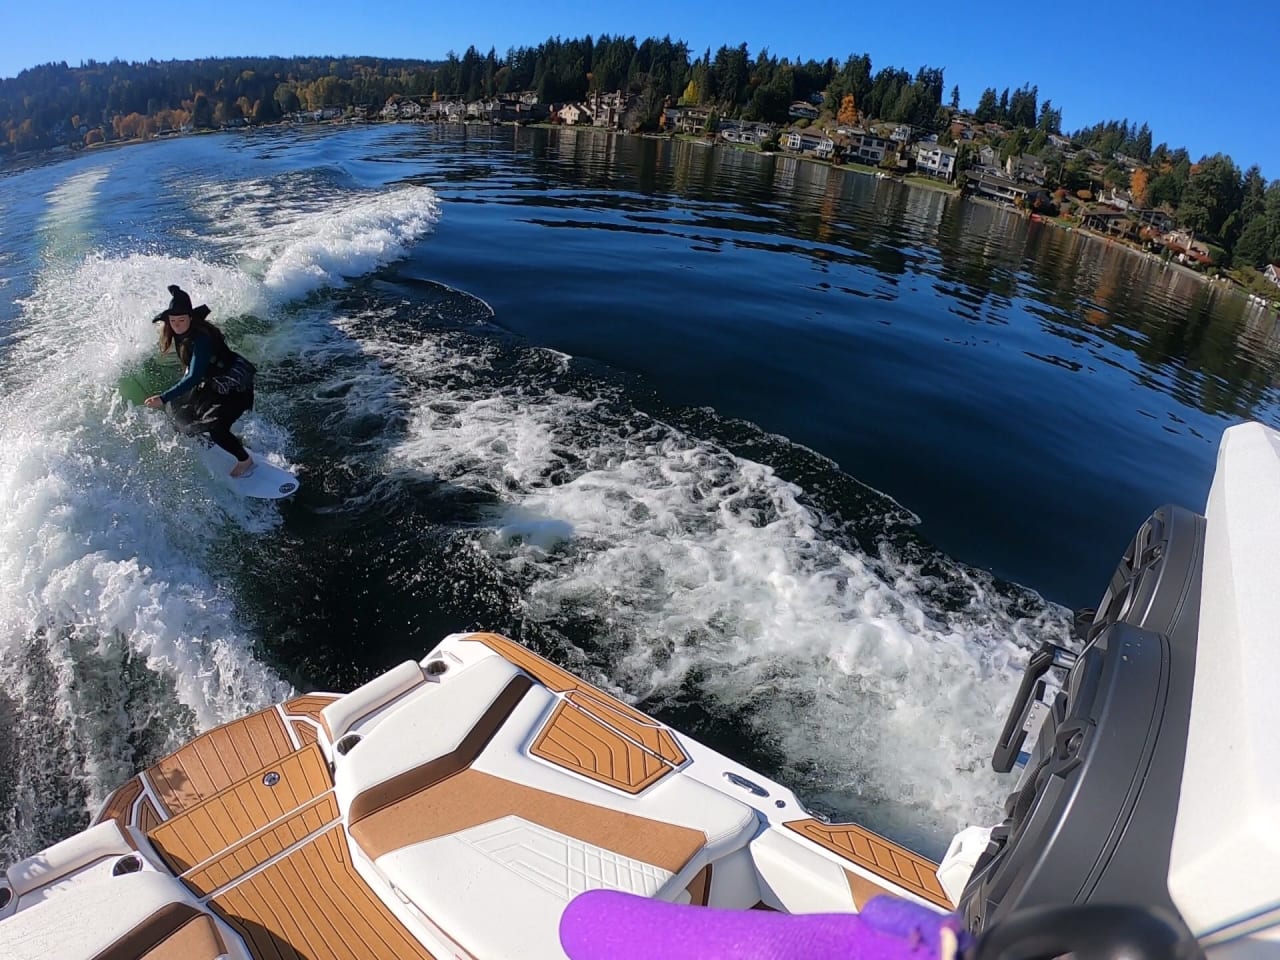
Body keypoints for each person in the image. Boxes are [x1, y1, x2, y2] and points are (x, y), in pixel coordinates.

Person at [144, 285, 257, 477]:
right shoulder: (181, 333)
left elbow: (194, 376)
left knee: (216, 429)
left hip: (234, 389)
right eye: (173, 321)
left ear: (190, 318)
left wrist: (162, 397)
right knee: (177, 409)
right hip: (212, 383)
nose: (177, 325)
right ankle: (218, 439)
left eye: (181, 320)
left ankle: (245, 460)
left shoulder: (202, 338)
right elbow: (192, 368)